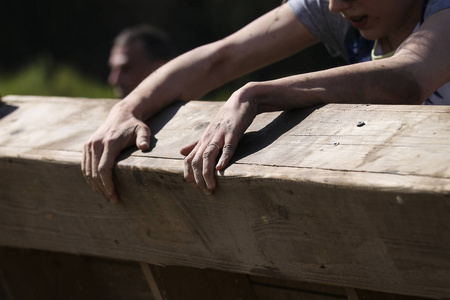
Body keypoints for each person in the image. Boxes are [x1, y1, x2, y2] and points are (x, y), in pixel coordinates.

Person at [82, 0, 450, 203]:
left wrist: (256, 94)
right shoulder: (349, 7)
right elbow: (221, 57)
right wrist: (127, 108)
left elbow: (406, 79)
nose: (336, 6)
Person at [108, 25, 175, 98]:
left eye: (126, 69)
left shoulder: (186, 108)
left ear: (159, 67)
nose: (114, 80)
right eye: (114, 69)